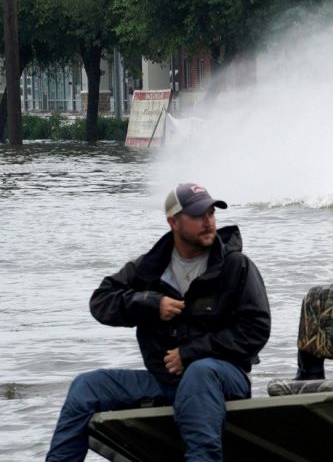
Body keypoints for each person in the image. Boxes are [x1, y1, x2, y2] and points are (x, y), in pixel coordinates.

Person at [47, 183, 271, 461]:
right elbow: (101, 302)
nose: (208, 222)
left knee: (199, 372)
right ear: (173, 222)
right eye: (199, 215)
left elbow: (256, 329)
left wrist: (191, 353)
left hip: (225, 379)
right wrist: (150, 304)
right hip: (164, 382)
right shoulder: (148, 268)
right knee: (86, 386)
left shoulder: (236, 265)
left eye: (211, 214)